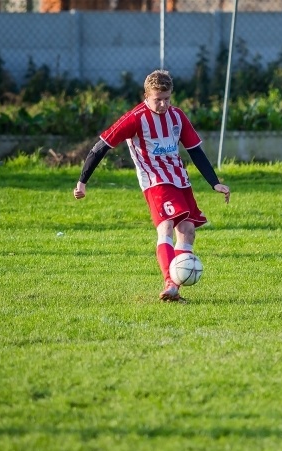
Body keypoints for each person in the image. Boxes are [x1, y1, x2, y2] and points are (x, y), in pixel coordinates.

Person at [73, 69, 231, 301]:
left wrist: (214, 182)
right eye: (158, 99)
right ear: (146, 96)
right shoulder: (135, 118)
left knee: (187, 231)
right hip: (154, 181)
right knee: (165, 226)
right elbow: (101, 147)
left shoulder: (177, 116)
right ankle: (170, 282)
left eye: (167, 99)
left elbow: (195, 150)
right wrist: (82, 181)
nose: (163, 104)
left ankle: (177, 283)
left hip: (179, 179)